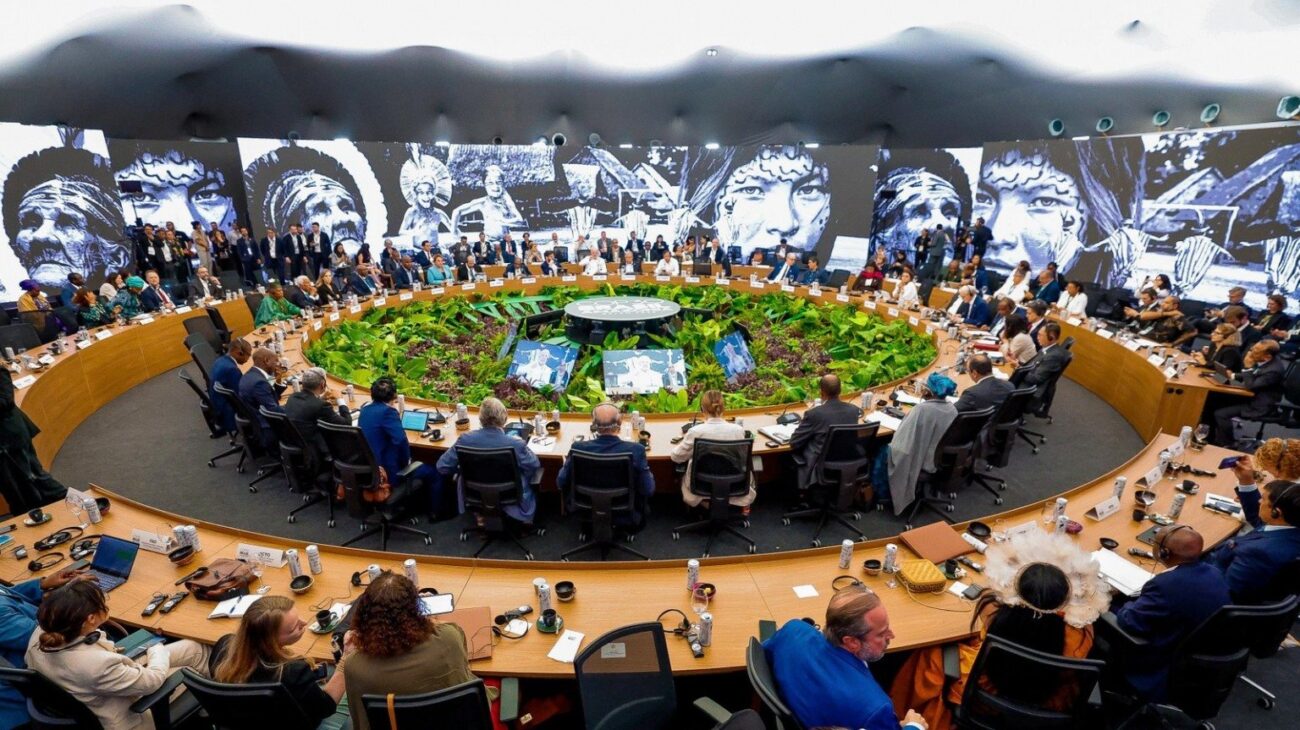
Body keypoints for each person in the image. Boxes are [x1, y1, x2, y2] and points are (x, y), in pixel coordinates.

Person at [891, 530, 1108, 730]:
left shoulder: (998, 621)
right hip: (1046, 706)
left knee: (932, 654)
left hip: (985, 702)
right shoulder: (1080, 637)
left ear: (1015, 596)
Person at [25, 580, 210, 730]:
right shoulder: (97, 665)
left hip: (101, 683)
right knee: (191, 671)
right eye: (103, 601)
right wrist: (157, 648)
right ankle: (218, 708)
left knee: (194, 648)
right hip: (129, 714)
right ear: (91, 619)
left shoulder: (41, 634)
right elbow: (152, 681)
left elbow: (95, 658)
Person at [765, 584, 928, 730]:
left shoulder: (793, 630)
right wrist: (914, 726)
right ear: (852, 642)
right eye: (881, 634)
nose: (891, 635)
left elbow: (764, 654)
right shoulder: (875, 709)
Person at [341, 573, 476, 730]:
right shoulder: (449, 637)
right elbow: (464, 673)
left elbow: (361, 721)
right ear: (416, 609)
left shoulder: (354, 666)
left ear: (365, 615)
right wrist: (431, 620)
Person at [1112, 524, 1231, 700]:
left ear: (1164, 553)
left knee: (1107, 608)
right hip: (1200, 656)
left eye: (1154, 542)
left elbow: (1130, 621)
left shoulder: (1164, 585)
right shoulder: (1215, 572)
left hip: (1163, 661)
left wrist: (1126, 603)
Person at [210, 595, 350, 730]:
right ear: (271, 641)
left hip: (248, 721)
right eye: (294, 627)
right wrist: (345, 661)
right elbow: (326, 707)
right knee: (355, 682)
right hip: (301, 723)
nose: (304, 623)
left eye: (299, 617)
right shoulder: (294, 673)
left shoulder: (223, 646)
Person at [0, 567, 89, 728]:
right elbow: (49, 638)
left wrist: (42, 585)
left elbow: (6, 595)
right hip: (49, 682)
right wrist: (69, 600)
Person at [1204, 456, 1300, 603]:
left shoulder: (1260, 554)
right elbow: (1258, 517)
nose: (1259, 501)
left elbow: (1224, 593)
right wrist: (1246, 480)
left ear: (1276, 512)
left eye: (1263, 499)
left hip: (1209, 580)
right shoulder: (1289, 526)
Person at [437, 397, 540, 524]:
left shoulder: (465, 439)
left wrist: (461, 471)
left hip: (475, 494)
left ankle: (481, 515)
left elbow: (442, 466)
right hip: (509, 494)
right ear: (505, 418)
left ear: (480, 419)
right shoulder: (516, 444)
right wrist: (522, 444)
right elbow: (534, 465)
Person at [557, 402, 656, 527]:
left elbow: (560, 482)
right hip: (624, 508)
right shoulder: (637, 450)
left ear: (594, 424)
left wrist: (566, 464)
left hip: (586, 506)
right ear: (620, 422)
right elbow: (648, 489)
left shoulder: (578, 448)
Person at [873, 373, 959, 514]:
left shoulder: (921, 410)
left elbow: (901, 443)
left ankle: (882, 495)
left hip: (921, 460)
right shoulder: (952, 409)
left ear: (928, 391)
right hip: (939, 459)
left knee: (883, 449)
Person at [358, 377, 443, 518]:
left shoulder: (365, 410)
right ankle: (436, 514)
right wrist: (408, 462)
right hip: (388, 473)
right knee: (434, 473)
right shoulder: (388, 412)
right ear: (394, 396)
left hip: (369, 471)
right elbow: (400, 440)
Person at [670, 390, 757, 512]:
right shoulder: (738, 430)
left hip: (701, 484)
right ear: (723, 408)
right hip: (733, 483)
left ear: (702, 409)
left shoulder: (696, 431)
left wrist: (683, 442)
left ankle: (706, 506)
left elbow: (676, 457)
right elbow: (743, 459)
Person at [789, 375, 863, 490]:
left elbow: (794, 442)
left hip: (822, 467)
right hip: (849, 462)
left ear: (821, 392)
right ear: (840, 390)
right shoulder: (853, 410)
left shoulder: (814, 414)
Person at [1212, 339, 1286, 446]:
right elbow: (1254, 374)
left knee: (1221, 413)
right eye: (1253, 348)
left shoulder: (1274, 371)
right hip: (1251, 397)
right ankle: (1211, 435)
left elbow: (1252, 385)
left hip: (1259, 405)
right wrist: (1232, 375)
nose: (1251, 352)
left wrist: (1247, 367)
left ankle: (1227, 444)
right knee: (1214, 400)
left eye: (1256, 351)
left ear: (1267, 356)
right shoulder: (1265, 360)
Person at [238, 347, 286, 448]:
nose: (278, 364)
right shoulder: (259, 383)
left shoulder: (250, 375)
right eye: (276, 360)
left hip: (257, 422)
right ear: (266, 360)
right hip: (268, 428)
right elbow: (274, 411)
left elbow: (267, 397)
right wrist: (294, 407)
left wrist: (278, 380)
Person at [1018, 322, 1070, 413]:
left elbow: (1036, 379)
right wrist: (1019, 364)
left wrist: (1019, 371)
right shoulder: (1047, 349)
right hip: (1029, 383)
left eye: (1040, 335)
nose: (1037, 337)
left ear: (1051, 337)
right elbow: (1034, 365)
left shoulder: (1053, 356)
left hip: (1030, 391)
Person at [209, 338, 252, 436]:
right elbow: (241, 397)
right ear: (239, 353)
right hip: (229, 413)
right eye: (248, 355)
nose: (248, 359)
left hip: (219, 408)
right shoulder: (232, 370)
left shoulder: (220, 360)